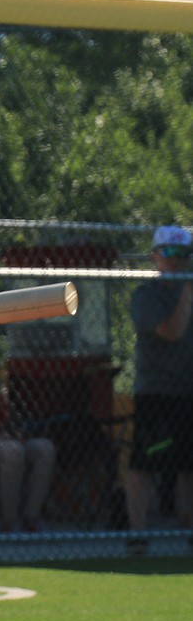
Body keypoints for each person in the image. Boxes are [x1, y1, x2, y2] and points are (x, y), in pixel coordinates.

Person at [124, 224, 193, 556]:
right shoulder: (146, 295)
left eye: (184, 254)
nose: (178, 261)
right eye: (170, 253)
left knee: (188, 467)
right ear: (155, 257)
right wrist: (187, 291)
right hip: (156, 393)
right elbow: (173, 331)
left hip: (188, 392)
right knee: (145, 464)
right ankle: (137, 534)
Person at [0, 388, 56, 533]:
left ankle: (31, 518)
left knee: (44, 448)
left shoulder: (5, 394)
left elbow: (19, 428)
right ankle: (9, 522)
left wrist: (17, 434)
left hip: (10, 439)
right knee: (12, 450)